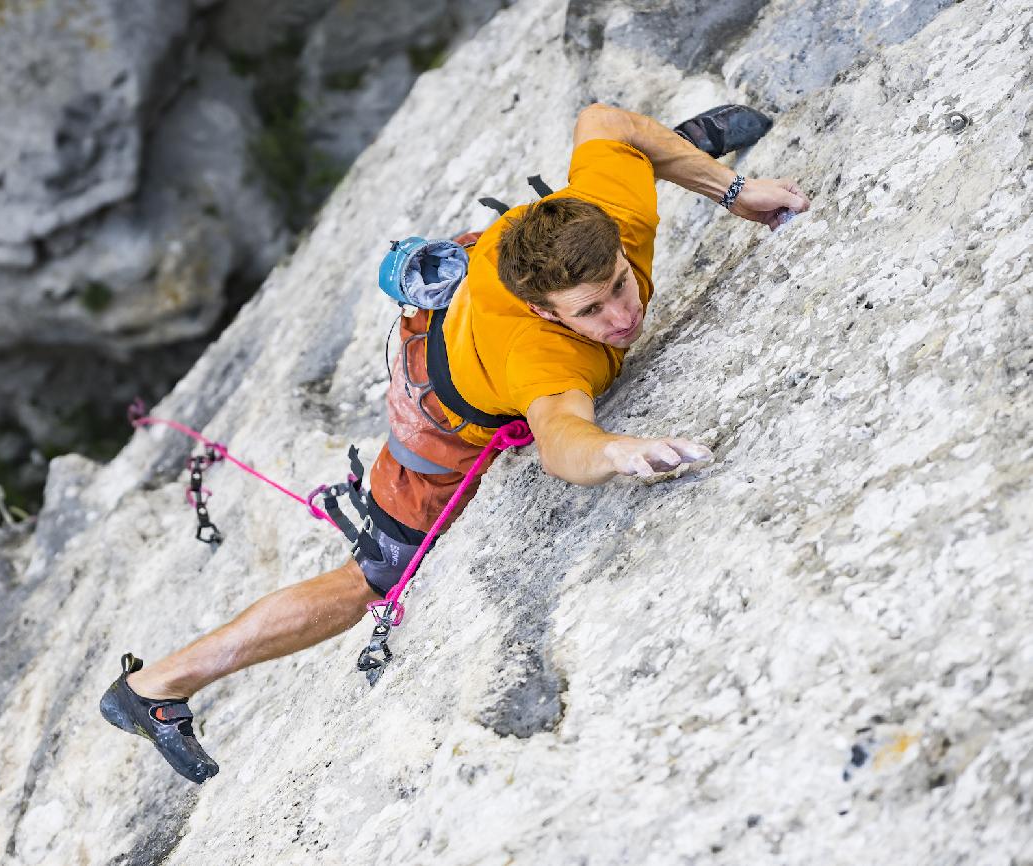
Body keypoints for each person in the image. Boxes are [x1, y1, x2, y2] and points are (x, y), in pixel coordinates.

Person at [99, 103, 812, 783]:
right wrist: (615, 451)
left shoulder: (609, 217)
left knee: (622, 147)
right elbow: (563, 436)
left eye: (621, 286)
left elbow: (605, 121)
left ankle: (672, 152)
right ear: (545, 311)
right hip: (439, 404)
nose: (624, 316)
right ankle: (154, 688)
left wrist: (733, 190)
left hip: (492, 266)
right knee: (369, 576)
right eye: (591, 311)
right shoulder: (544, 358)